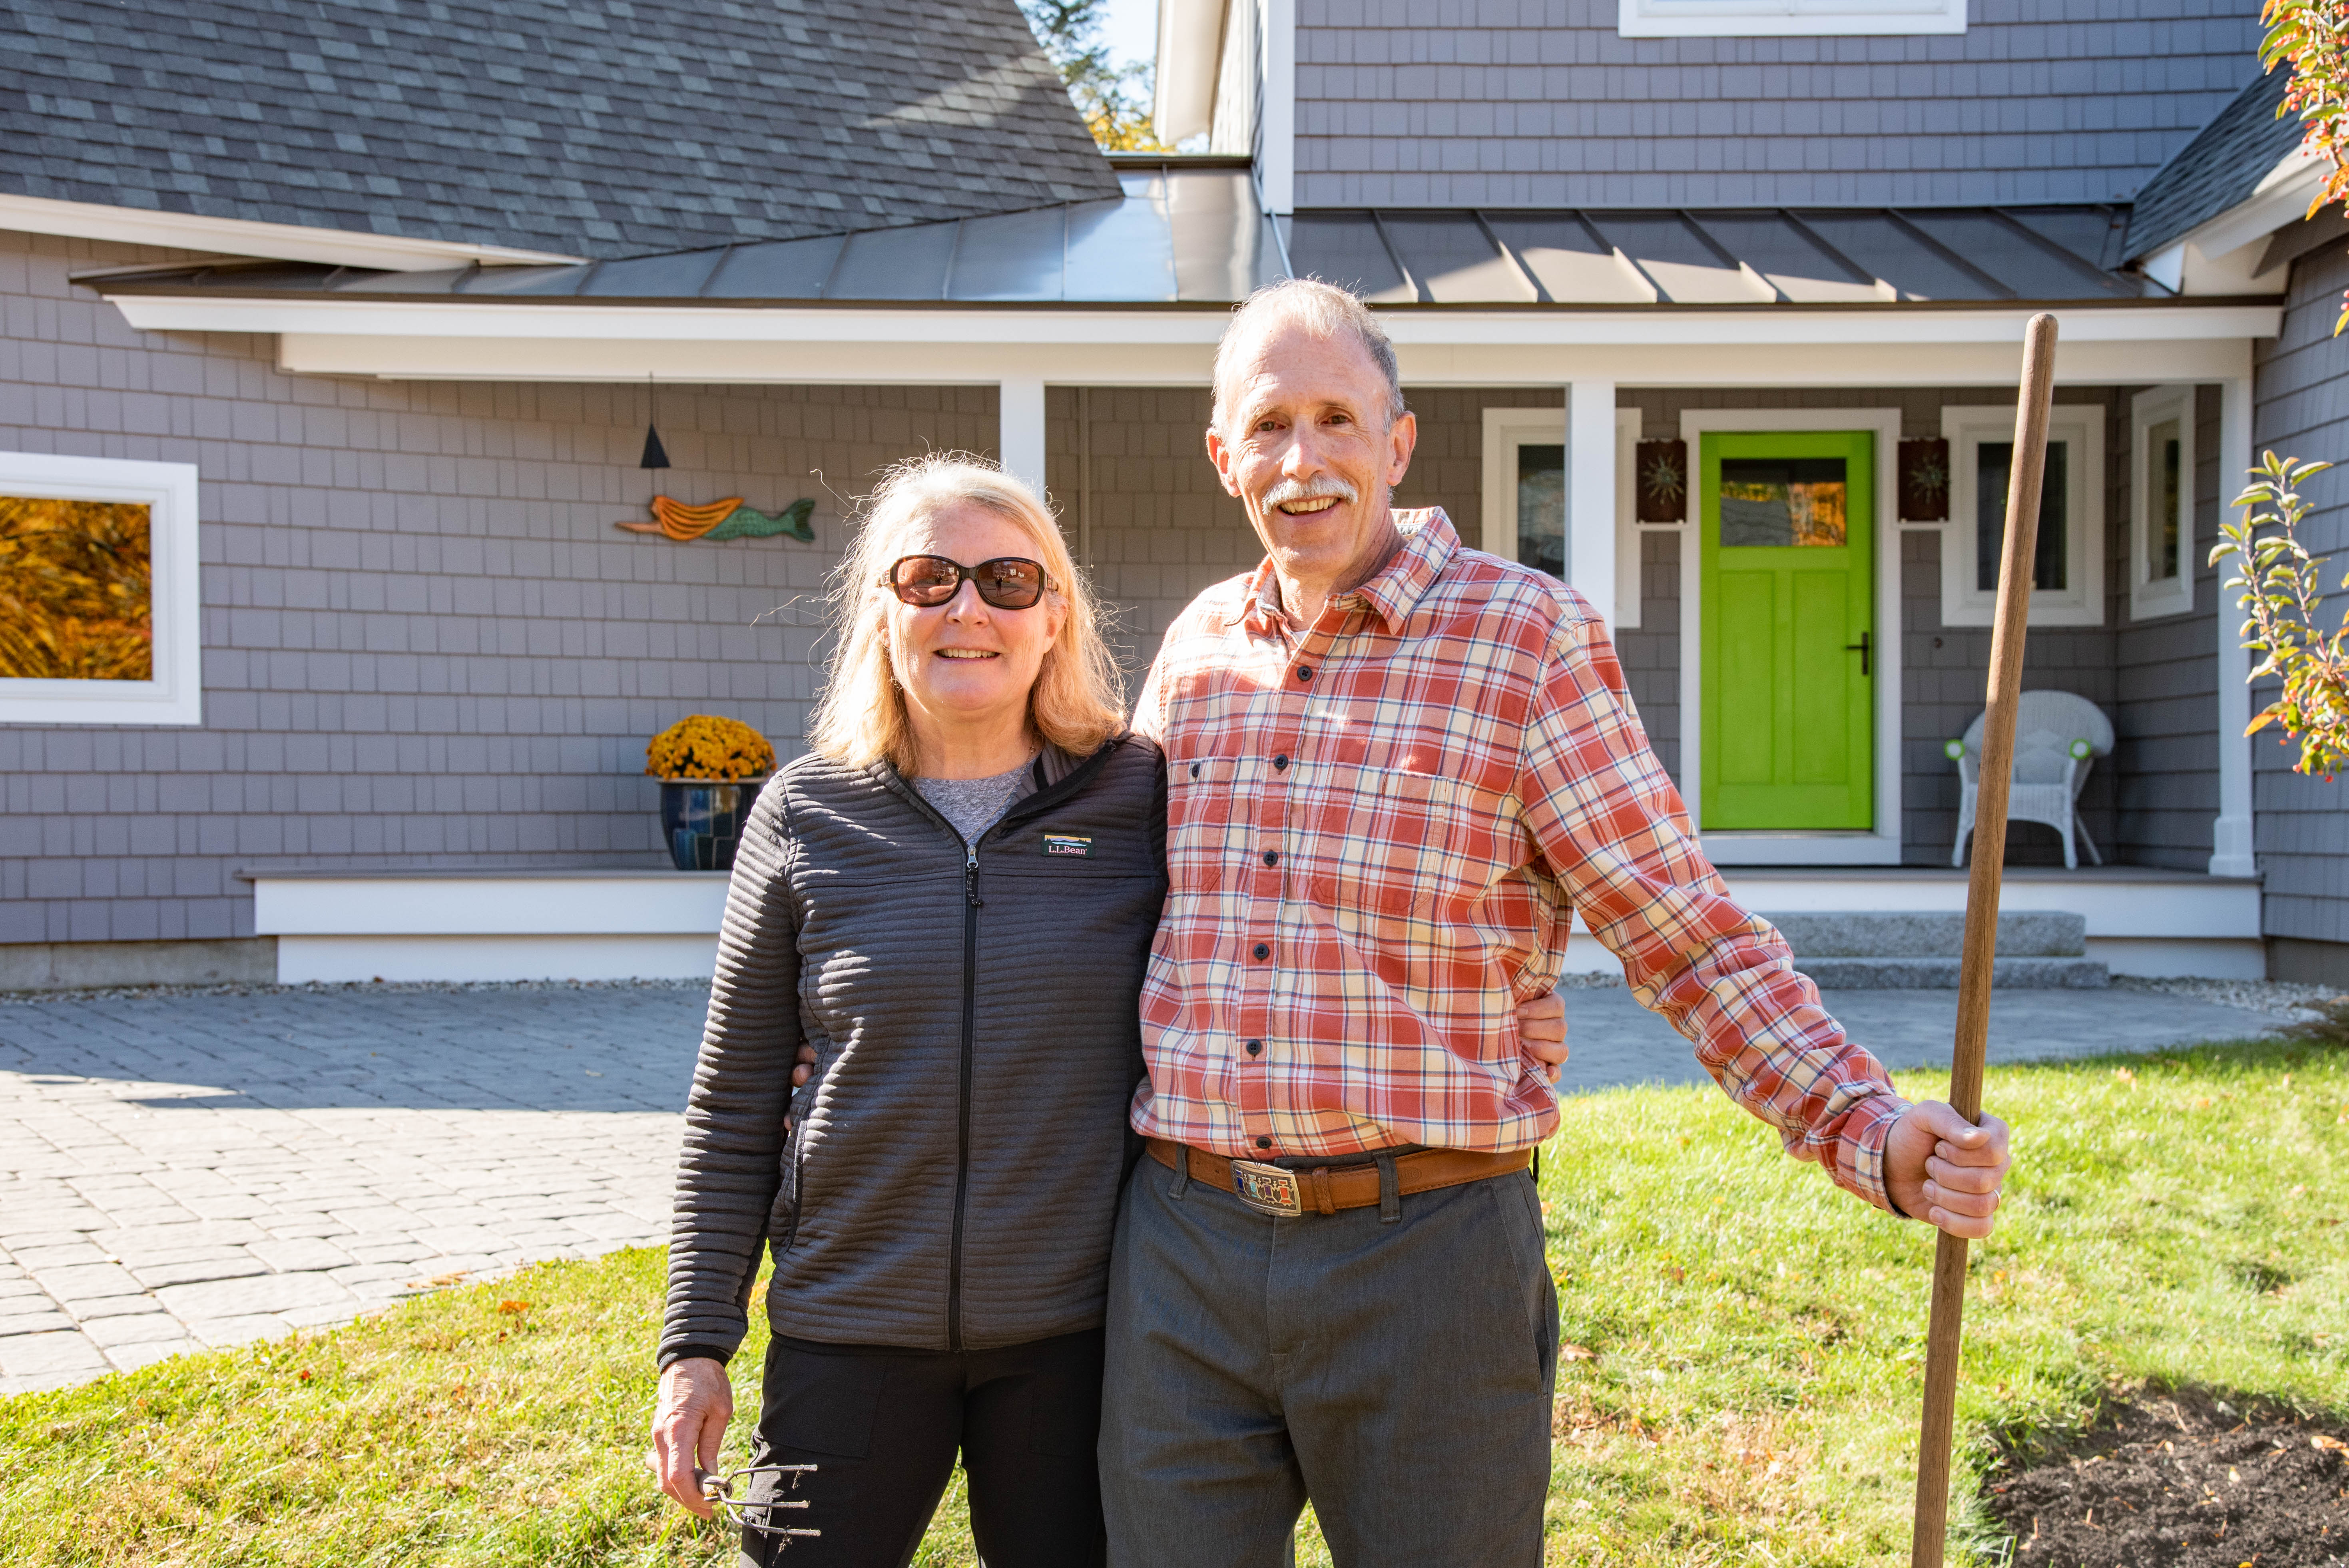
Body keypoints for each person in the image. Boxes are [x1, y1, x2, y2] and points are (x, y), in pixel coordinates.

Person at [1098, 279, 2015, 1568]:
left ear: (1399, 439)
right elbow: (1109, 917)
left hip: (1423, 1261)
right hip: (1182, 1259)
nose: (1302, 460)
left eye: (1337, 420)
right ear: (1222, 455)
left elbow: (1680, 929)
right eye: (1268, 427)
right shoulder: (1194, 651)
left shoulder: (1522, 638)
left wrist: (1868, 1128)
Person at [643, 452, 1576, 1565]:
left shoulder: (1137, 792)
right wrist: (695, 1343)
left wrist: (1512, 990)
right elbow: (732, 1099)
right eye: (929, 578)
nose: (969, 609)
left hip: (1076, 1341)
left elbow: (1293, 909)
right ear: (880, 610)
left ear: (1055, 619)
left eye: (1008, 581)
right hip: (844, 1330)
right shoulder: (803, 816)